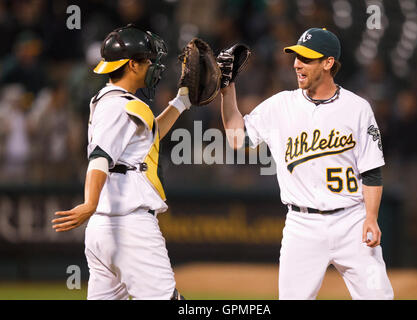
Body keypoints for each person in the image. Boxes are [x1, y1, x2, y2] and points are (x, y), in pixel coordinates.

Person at [218, 28, 394, 300]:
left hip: (352, 221)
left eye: (306, 58)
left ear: (328, 63)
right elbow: (236, 138)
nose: (297, 64)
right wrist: (226, 89)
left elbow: (371, 171)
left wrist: (371, 217)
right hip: (302, 226)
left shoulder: (357, 108)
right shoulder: (280, 106)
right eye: (296, 57)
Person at [51, 24, 192, 300]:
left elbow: (151, 136)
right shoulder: (119, 105)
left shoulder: (114, 101)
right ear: (132, 65)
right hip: (128, 227)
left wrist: (181, 102)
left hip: (105, 229)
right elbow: (100, 158)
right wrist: (89, 203)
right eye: (148, 60)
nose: (153, 65)